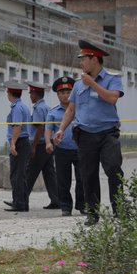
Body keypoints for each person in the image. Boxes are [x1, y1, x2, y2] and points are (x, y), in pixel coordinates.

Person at [53, 40, 124, 226]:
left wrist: (92, 83)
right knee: (88, 175)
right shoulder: (78, 85)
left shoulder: (112, 79)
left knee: (113, 168)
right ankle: (93, 213)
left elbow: (111, 98)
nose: (81, 63)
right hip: (85, 135)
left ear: (94, 59)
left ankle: (119, 210)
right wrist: (61, 129)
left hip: (108, 133)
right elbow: (71, 110)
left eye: (84, 59)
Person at [45, 77, 85, 217]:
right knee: (63, 179)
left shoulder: (80, 109)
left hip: (80, 148)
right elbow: (48, 129)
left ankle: (82, 205)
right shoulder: (53, 112)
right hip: (62, 149)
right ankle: (66, 206)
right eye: (62, 92)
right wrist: (49, 143)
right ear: (57, 94)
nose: (66, 95)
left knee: (82, 178)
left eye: (68, 91)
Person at [24, 82, 60, 209]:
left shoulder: (38, 108)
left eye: (31, 93)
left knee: (30, 172)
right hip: (47, 143)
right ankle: (56, 200)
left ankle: (22, 200)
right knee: (49, 173)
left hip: (40, 144)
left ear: (36, 94)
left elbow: (39, 128)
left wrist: (33, 146)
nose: (30, 96)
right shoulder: (46, 107)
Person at [3, 83, 31, 212]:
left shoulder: (17, 108)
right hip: (23, 142)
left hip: (20, 142)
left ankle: (19, 203)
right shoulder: (22, 106)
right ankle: (21, 202)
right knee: (20, 174)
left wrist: (13, 143)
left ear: (10, 94)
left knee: (17, 175)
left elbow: (17, 126)